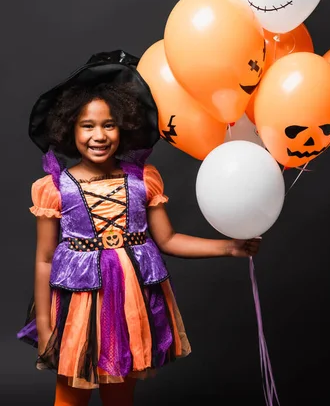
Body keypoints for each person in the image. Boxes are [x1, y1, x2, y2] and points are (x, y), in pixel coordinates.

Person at [18, 49, 261, 406]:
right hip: (79, 307)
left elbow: (169, 239)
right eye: (87, 126)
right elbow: (43, 260)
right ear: (70, 128)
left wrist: (229, 247)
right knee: (69, 395)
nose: (98, 136)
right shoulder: (54, 188)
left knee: (121, 393)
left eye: (108, 125)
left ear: (124, 126)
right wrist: (43, 321)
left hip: (130, 303)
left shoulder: (142, 180)